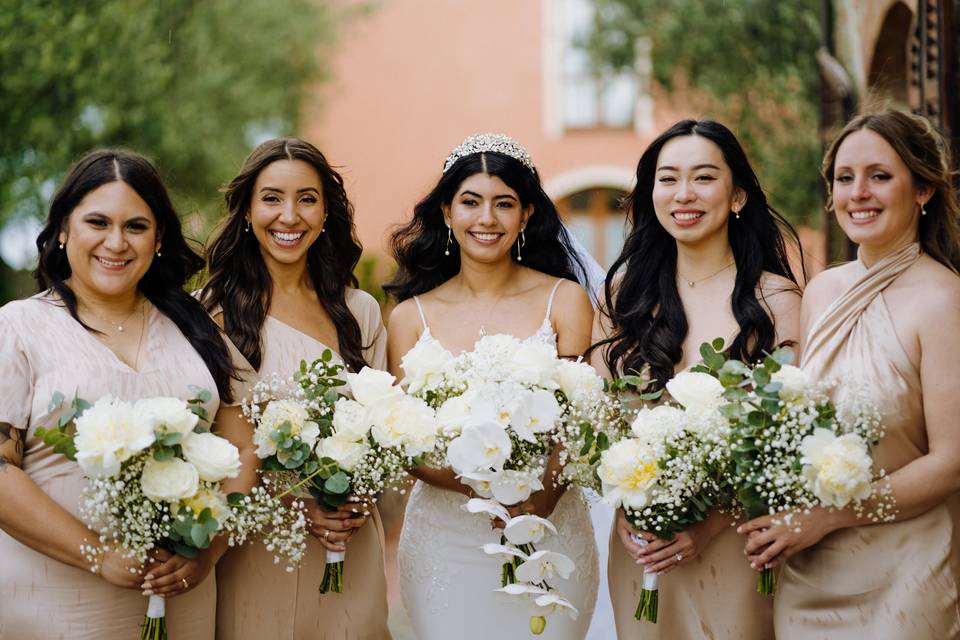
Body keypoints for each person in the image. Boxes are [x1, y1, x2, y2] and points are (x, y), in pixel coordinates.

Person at [0, 149, 252, 639]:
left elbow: (243, 448)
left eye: (136, 226)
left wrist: (209, 551)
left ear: (158, 239)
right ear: (64, 229)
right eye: (97, 222)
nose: (116, 242)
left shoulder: (196, 327)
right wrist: (98, 555)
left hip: (183, 597)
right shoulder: (18, 327)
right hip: (55, 601)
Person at [739, 109, 960, 639]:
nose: (858, 192)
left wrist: (829, 517)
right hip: (810, 566)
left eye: (879, 176)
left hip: (909, 567)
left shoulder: (945, 300)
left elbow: (952, 461)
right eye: (844, 178)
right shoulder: (820, 292)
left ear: (923, 189)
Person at [590, 119, 802, 639]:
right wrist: (622, 504)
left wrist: (707, 526)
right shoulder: (624, 296)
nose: (683, 194)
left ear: (737, 196)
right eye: (668, 179)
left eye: (704, 178)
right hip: (643, 548)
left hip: (737, 543)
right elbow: (598, 423)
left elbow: (787, 438)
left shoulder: (777, 300)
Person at [386, 134, 599, 639]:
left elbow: (582, 418)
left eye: (504, 203)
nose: (487, 219)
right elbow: (402, 439)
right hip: (446, 538)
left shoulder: (564, 301)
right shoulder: (408, 318)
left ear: (526, 214)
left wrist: (541, 494)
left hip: (548, 527)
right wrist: (481, 488)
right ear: (446, 211)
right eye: (471, 202)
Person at [202, 137, 390, 639]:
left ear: (326, 211)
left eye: (307, 198)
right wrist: (299, 500)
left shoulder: (360, 312)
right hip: (258, 542)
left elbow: (382, 433)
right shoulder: (210, 314)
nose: (290, 216)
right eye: (271, 198)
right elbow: (216, 444)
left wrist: (352, 500)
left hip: (347, 539)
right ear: (246, 210)